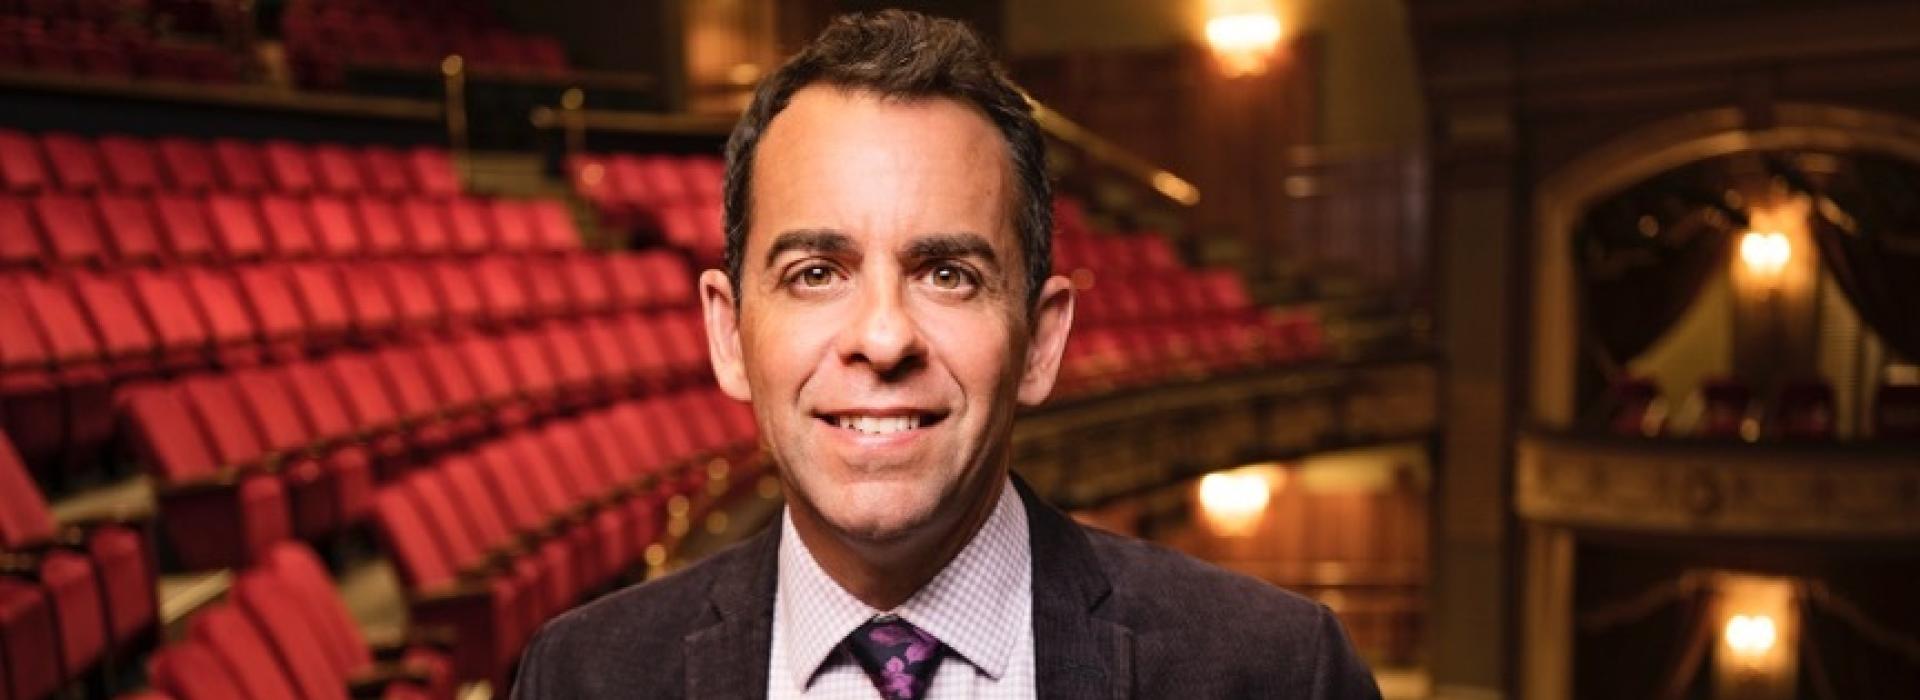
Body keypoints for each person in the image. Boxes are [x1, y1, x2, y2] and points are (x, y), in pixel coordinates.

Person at [512, 10, 1381, 699]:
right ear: (729, 334)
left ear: (1041, 343)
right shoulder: (583, 676)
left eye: (948, 274)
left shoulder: (1274, 672)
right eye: (817, 272)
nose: (883, 339)